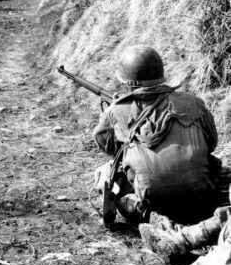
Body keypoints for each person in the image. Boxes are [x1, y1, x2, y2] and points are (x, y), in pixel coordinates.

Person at [92, 45, 218, 227]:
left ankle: (143, 211)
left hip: (153, 201)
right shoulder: (193, 102)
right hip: (201, 197)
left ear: (127, 82)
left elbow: (108, 147)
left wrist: (115, 118)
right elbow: (211, 143)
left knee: (111, 172)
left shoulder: (117, 110)